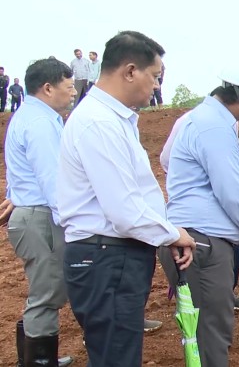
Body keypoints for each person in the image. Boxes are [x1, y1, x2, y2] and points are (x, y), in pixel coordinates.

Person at [57, 31, 196, 367]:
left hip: (111, 256)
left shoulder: (112, 119)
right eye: (155, 76)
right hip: (107, 257)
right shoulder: (99, 123)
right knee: (117, 357)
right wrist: (172, 234)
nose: (156, 85)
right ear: (130, 71)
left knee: (116, 354)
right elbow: (124, 210)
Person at [158, 64, 239, 366]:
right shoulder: (216, 127)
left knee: (201, 332)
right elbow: (231, 189)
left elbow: (166, 159)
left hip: (191, 237)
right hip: (202, 244)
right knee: (211, 333)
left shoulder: (196, 118)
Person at [5, 58, 76, 366]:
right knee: (46, 295)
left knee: (45, 291)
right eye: (68, 86)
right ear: (48, 88)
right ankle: (38, 362)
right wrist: (73, 222)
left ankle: (35, 359)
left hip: (32, 214)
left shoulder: (30, 117)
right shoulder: (40, 123)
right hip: (41, 218)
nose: (73, 92)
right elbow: (53, 180)